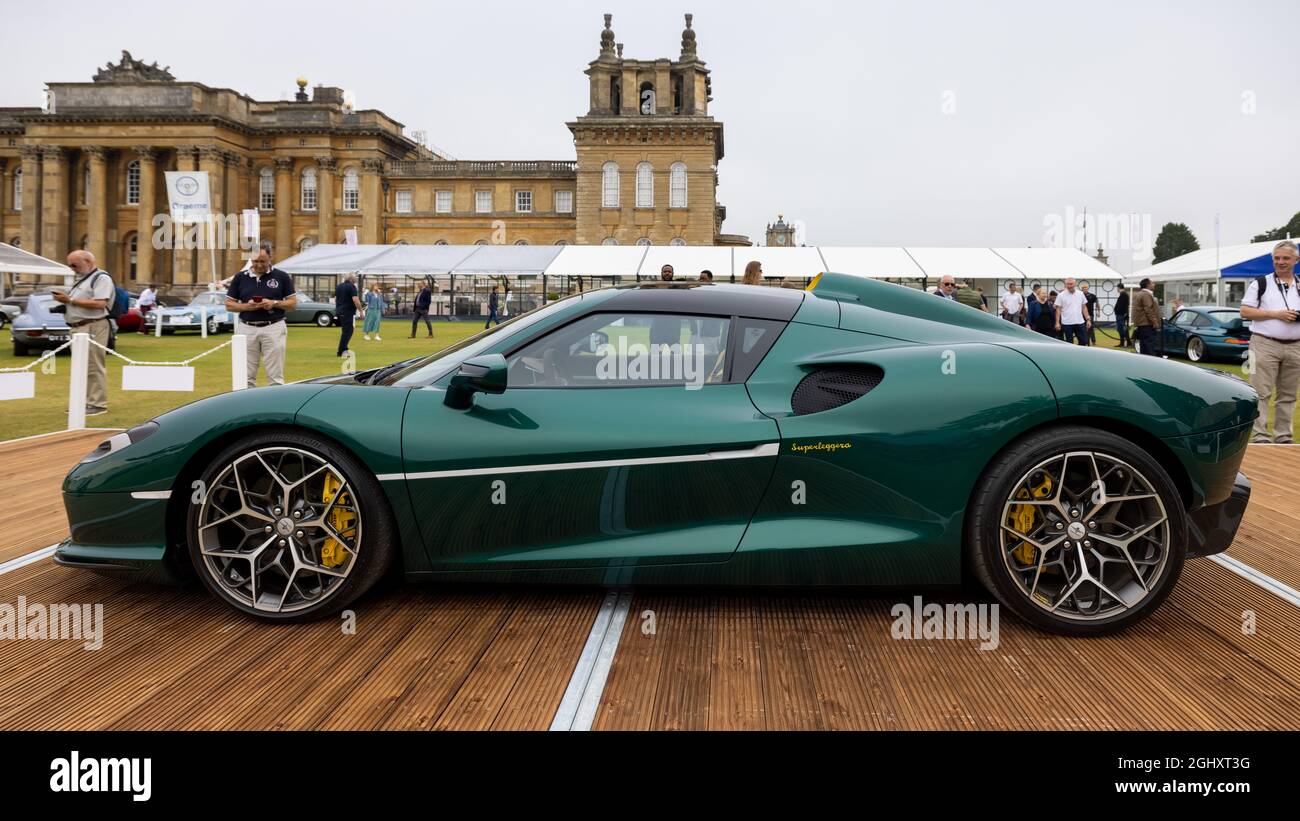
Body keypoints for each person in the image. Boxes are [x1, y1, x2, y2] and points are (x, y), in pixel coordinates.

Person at [1240, 240, 1300, 444]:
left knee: (1289, 395)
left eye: (1285, 258)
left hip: (1296, 346)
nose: (1280, 262)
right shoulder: (1261, 283)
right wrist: (1277, 314)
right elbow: (1245, 311)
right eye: (1277, 258)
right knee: (1260, 392)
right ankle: (1260, 437)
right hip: (1264, 343)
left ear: (1296, 260)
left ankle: (1284, 437)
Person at [225, 247, 297, 388]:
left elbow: (293, 303)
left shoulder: (281, 276)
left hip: (274, 327)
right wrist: (247, 306)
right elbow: (229, 304)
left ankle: (276, 403)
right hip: (247, 328)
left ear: (270, 258)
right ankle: (246, 405)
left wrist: (274, 303)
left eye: (262, 261)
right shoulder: (240, 277)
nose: (258, 264)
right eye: (255, 261)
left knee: (275, 375)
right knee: (245, 375)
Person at [56, 250, 115, 417]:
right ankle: (82, 402)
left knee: (93, 366)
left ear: (88, 261)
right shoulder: (83, 279)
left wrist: (71, 301)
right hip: (79, 327)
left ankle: (97, 404)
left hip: (92, 326)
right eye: (70, 265)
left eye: (74, 264)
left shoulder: (101, 278)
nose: (72, 268)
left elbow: (100, 303)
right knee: (81, 367)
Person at [1055, 277, 1090, 345]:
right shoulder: (1061, 295)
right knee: (1069, 343)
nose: (1069, 286)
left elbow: (1084, 307)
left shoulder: (1080, 294)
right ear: (1065, 284)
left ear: (1075, 284)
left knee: (1083, 341)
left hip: (1080, 322)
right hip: (1067, 323)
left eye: (1071, 284)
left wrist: (1088, 319)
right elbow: (1058, 309)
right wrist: (1057, 323)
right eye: (1068, 284)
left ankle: (1080, 354)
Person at [334, 272, 361, 357]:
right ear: (351, 279)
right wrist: (361, 311)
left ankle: (344, 349)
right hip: (347, 312)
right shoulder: (352, 287)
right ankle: (341, 351)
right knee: (347, 331)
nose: (356, 279)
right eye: (355, 277)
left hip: (339, 311)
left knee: (346, 331)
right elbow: (355, 300)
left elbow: (336, 299)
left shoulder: (339, 286)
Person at [1131, 278, 1161, 356]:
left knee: (1144, 348)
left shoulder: (1139, 294)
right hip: (1147, 325)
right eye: (1152, 283)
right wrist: (1155, 322)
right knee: (1149, 348)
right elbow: (1149, 310)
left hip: (1142, 325)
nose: (1154, 284)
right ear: (1148, 285)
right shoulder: (1146, 294)